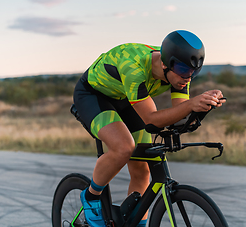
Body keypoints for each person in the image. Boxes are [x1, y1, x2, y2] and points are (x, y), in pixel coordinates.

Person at [73, 30, 226, 227]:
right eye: (183, 70)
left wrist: (203, 106)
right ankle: (91, 196)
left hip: (126, 98)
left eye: (193, 72)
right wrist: (190, 105)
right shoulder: (134, 68)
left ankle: (136, 223)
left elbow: (178, 117)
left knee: (144, 167)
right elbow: (152, 120)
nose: (188, 77)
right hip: (94, 96)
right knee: (124, 147)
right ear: (164, 63)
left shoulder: (179, 71)